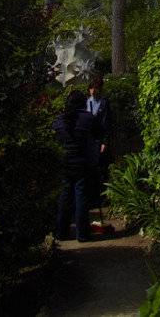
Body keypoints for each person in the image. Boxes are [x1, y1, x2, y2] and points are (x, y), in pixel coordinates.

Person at [54, 89, 102, 242]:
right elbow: (101, 132)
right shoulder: (87, 118)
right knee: (81, 196)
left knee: (64, 197)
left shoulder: (58, 121)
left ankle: (61, 232)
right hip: (83, 164)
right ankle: (82, 233)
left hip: (64, 164)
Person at [87, 74, 112, 188]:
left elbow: (106, 123)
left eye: (95, 88)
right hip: (90, 139)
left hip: (100, 138)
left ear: (100, 89)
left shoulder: (104, 102)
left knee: (101, 166)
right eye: (91, 88)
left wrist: (105, 142)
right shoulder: (88, 102)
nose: (92, 91)